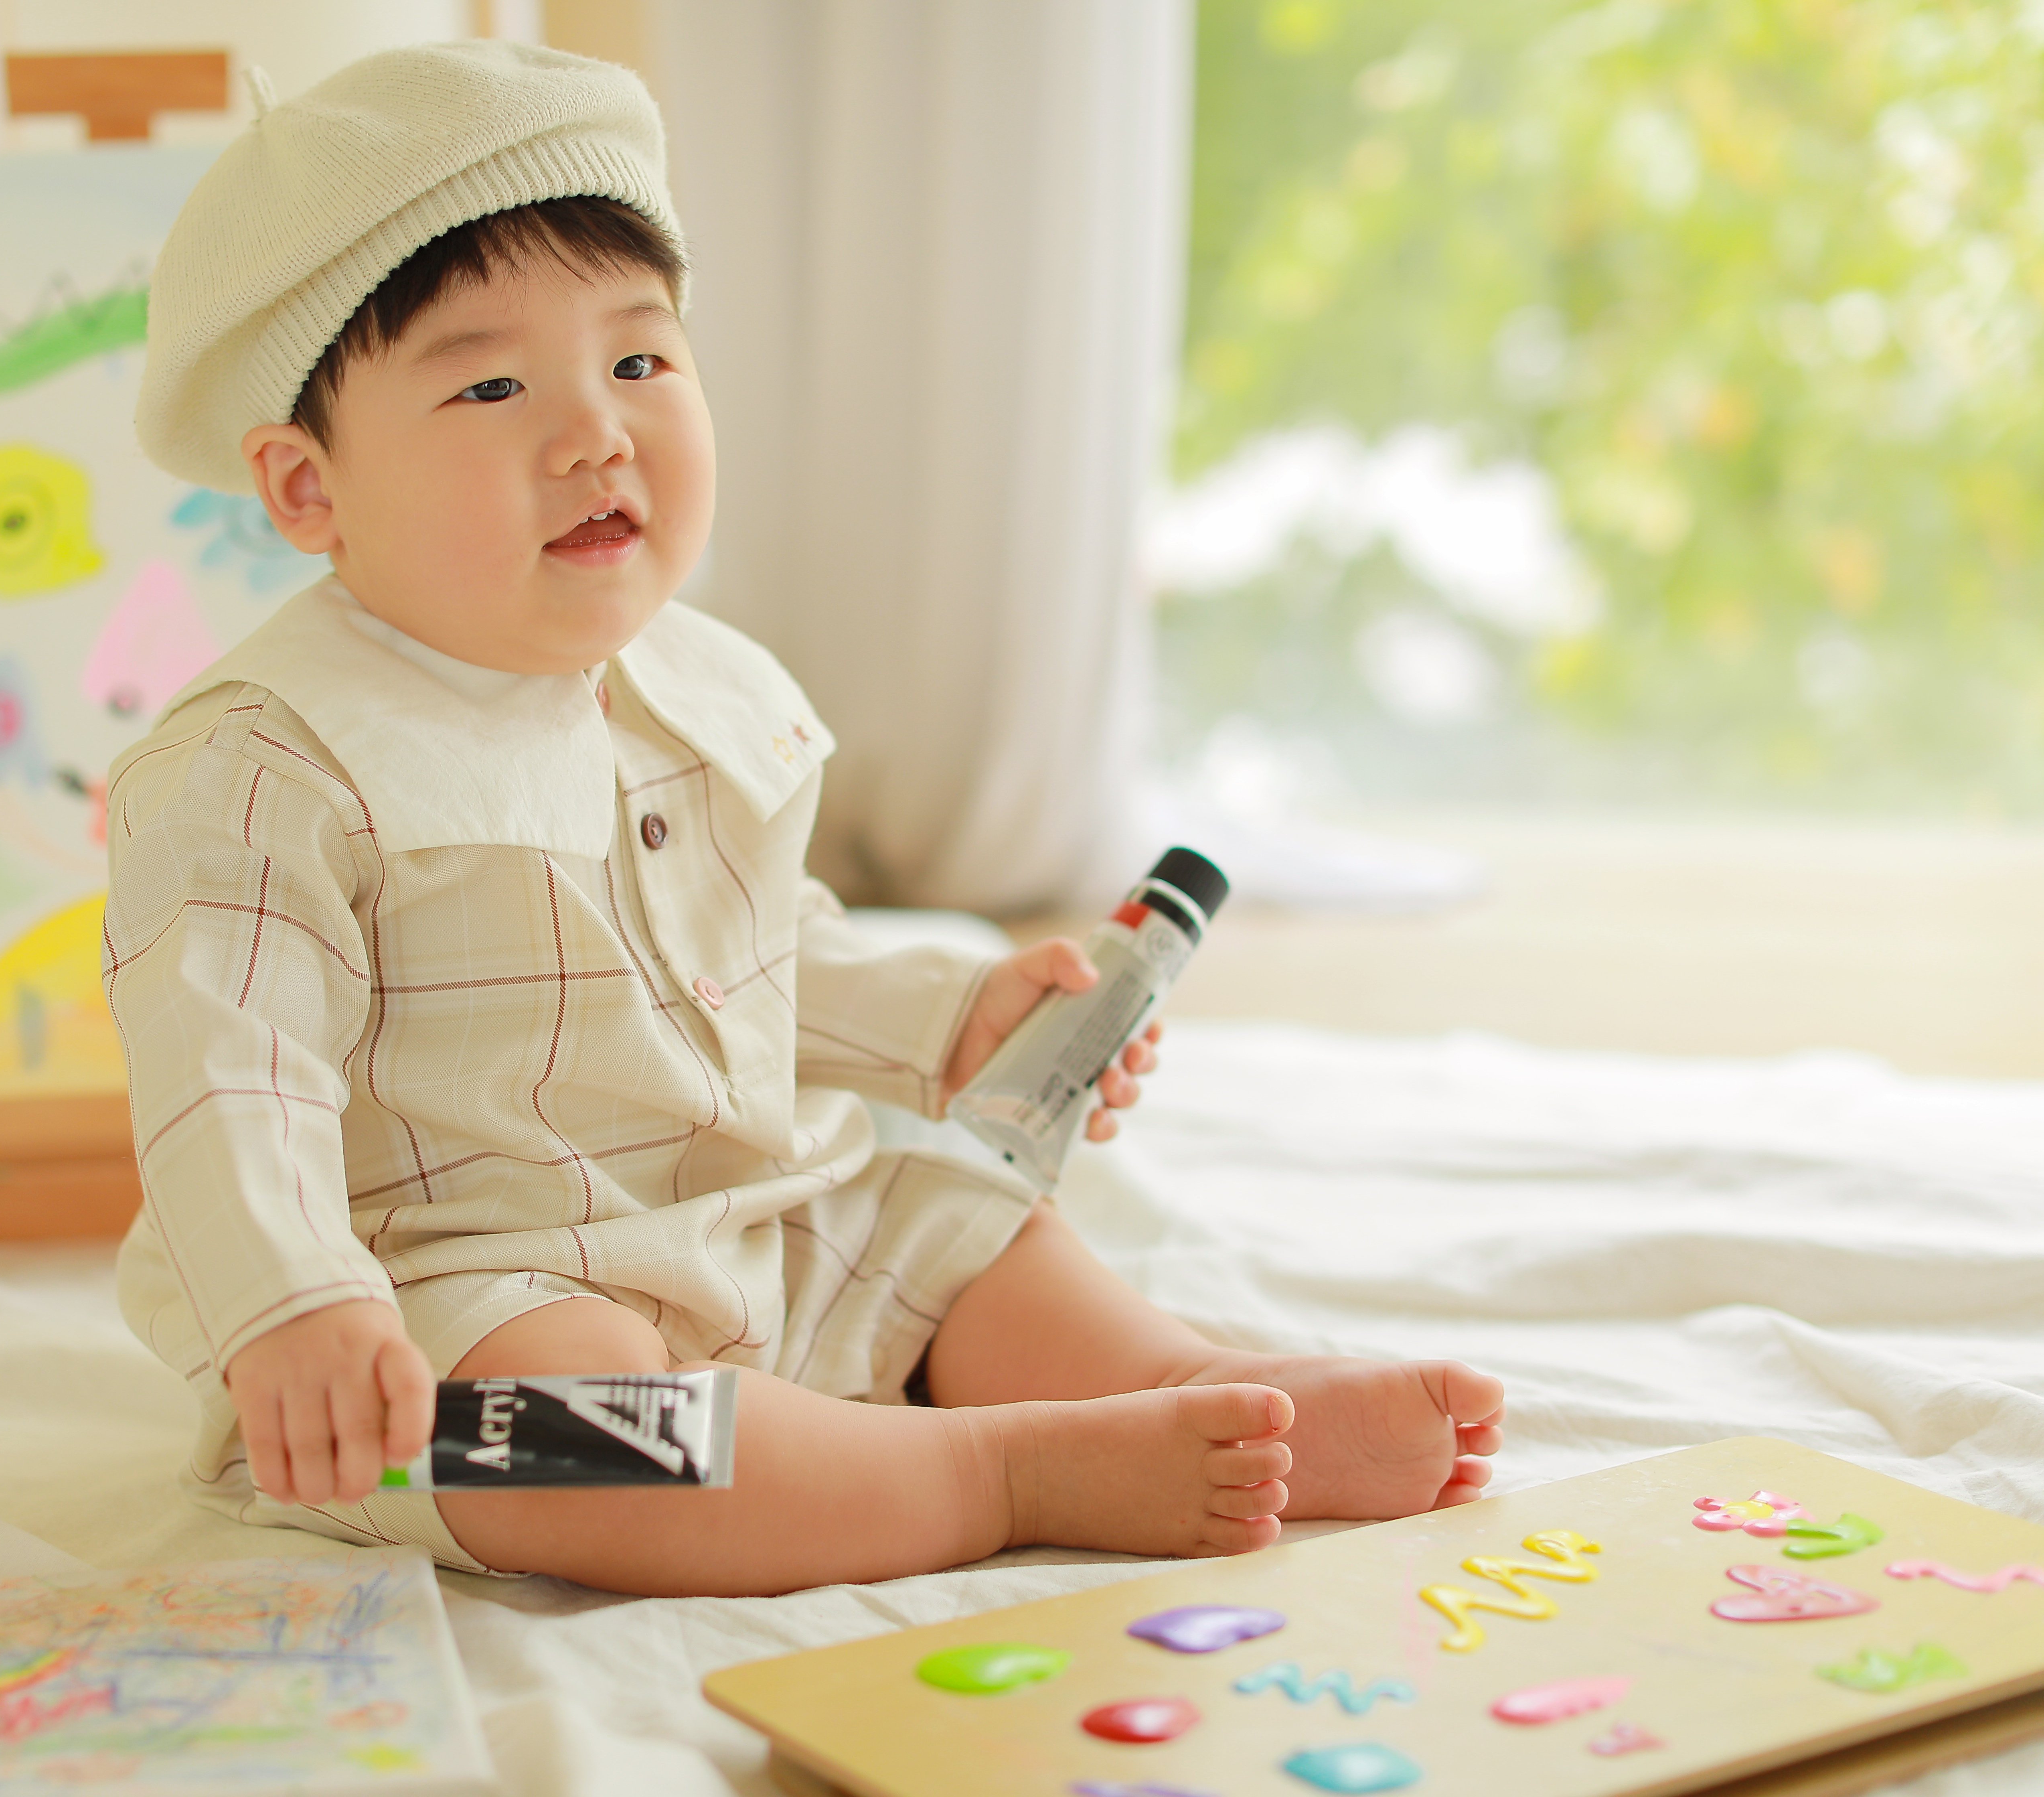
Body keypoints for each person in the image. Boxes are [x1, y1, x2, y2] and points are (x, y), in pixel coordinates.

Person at [108, 40, 1503, 1597]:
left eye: (640, 363)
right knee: (571, 1438)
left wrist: (950, 1014)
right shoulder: (265, 765)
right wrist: (299, 1304)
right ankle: (1004, 1469)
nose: (596, 435)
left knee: (948, 1222)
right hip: (455, 1299)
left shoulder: (690, 686)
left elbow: (755, 953)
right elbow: (227, 1080)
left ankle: (1185, 1381)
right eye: (492, 386)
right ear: (308, 489)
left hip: (739, 1218)